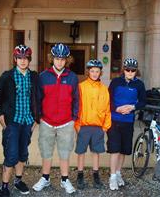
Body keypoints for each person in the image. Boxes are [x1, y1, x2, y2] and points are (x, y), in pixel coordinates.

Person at [32, 43, 79, 194]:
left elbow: (76, 99)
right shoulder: (43, 77)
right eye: (57, 58)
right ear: (52, 59)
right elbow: (37, 99)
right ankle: (45, 178)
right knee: (46, 152)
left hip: (66, 122)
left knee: (65, 153)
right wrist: (39, 117)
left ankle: (65, 180)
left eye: (63, 59)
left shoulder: (72, 77)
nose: (60, 62)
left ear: (67, 60)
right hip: (47, 121)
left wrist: (73, 117)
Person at [0, 45, 39, 196]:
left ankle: (18, 181)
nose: (22, 61)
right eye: (19, 58)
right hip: (12, 122)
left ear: (29, 60)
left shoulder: (34, 76)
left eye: (25, 58)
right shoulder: (8, 76)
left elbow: (39, 97)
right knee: (11, 154)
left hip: (27, 122)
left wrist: (36, 119)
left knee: (22, 153)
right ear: (15, 59)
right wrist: (1, 117)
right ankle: (4, 186)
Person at [107, 58, 146, 190]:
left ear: (136, 71)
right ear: (123, 69)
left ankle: (118, 173)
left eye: (132, 70)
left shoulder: (139, 85)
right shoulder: (115, 82)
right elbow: (108, 99)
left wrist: (132, 107)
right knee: (115, 149)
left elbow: (142, 102)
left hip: (128, 121)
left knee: (123, 150)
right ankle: (112, 176)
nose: (130, 72)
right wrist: (116, 109)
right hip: (114, 120)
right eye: (127, 69)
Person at [74, 59, 111, 189]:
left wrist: (105, 128)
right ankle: (80, 175)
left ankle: (96, 175)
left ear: (100, 73)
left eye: (97, 71)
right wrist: (77, 125)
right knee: (81, 152)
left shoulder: (104, 89)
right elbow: (77, 107)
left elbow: (107, 109)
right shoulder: (81, 87)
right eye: (92, 71)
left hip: (98, 127)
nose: (95, 73)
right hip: (83, 126)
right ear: (88, 72)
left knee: (96, 152)